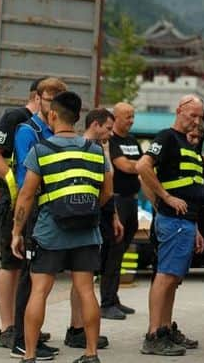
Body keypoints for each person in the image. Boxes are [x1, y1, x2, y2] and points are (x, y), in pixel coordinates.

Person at [11, 91, 112, 363]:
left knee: (39, 291)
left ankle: (29, 355)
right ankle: (91, 353)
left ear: (53, 114)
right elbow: (106, 192)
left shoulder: (41, 150)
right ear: (79, 117)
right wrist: (86, 209)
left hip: (49, 231)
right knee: (87, 290)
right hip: (87, 231)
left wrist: (16, 232)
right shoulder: (95, 150)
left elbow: (27, 195)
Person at [136, 95, 204, 355]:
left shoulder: (189, 145)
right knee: (165, 276)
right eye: (192, 115)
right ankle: (154, 334)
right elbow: (142, 166)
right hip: (173, 221)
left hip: (185, 221)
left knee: (173, 278)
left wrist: (195, 227)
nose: (196, 120)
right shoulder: (166, 137)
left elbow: (190, 188)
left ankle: (165, 328)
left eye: (200, 116)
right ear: (179, 111)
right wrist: (165, 198)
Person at [10, 77, 68, 361]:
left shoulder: (51, 130)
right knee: (29, 277)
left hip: (50, 209)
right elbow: (26, 180)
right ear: (37, 98)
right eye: (47, 99)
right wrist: (18, 227)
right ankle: (20, 340)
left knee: (40, 278)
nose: (51, 105)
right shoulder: (27, 131)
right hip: (32, 208)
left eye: (56, 100)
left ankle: (30, 334)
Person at [0, 77, 44, 350]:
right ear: (38, 97)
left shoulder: (43, 126)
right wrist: (14, 184)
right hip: (14, 201)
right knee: (11, 264)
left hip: (34, 202)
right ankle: (7, 327)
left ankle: (23, 326)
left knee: (28, 267)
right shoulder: (15, 117)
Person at [64, 109, 122, 349]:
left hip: (98, 216)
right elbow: (106, 183)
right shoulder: (86, 149)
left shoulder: (99, 148)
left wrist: (114, 216)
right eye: (108, 128)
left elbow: (109, 188)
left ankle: (78, 327)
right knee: (82, 279)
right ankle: (78, 328)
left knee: (84, 279)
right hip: (87, 218)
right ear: (95, 125)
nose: (110, 133)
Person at [101, 102, 140, 320]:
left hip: (132, 201)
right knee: (114, 251)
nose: (131, 120)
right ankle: (106, 303)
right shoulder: (111, 141)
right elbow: (123, 166)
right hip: (117, 202)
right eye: (127, 116)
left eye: (133, 116)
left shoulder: (133, 141)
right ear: (115, 118)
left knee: (122, 251)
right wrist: (140, 165)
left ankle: (114, 298)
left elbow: (143, 166)